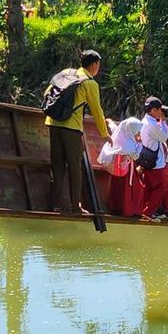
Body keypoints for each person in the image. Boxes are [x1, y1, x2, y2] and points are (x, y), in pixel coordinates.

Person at [44, 50, 110, 213]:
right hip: (71, 128)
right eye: (98, 65)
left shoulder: (66, 73)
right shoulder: (89, 83)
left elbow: (47, 93)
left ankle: (54, 205)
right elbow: (97, 110)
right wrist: (104, 134)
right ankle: (75, 206)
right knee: (75, 167)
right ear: (94, 64)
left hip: (53, 123)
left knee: (57, 166)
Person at [139, 96, 168, 221]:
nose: (162, 113)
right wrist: (163, 123)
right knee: (162, 188)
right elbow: (163, 137)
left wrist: (162, 125)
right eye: (159, 110)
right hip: (155, 163)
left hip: (155, 161)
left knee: (163, 187)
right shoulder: (151, 124)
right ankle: (148, 213)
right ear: (152, 110)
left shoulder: (148, 122)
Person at [98, 117, 146, 218]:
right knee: (134, 190)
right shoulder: (129, 145)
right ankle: (129, 210)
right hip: (126, 170)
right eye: (137, 131)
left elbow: (114, 128)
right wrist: (140, 144)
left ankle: (116, 208)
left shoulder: (120, 134)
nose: (139, 133)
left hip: (117, 168)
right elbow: (135, 156)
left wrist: (109, 121)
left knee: (117, 189)